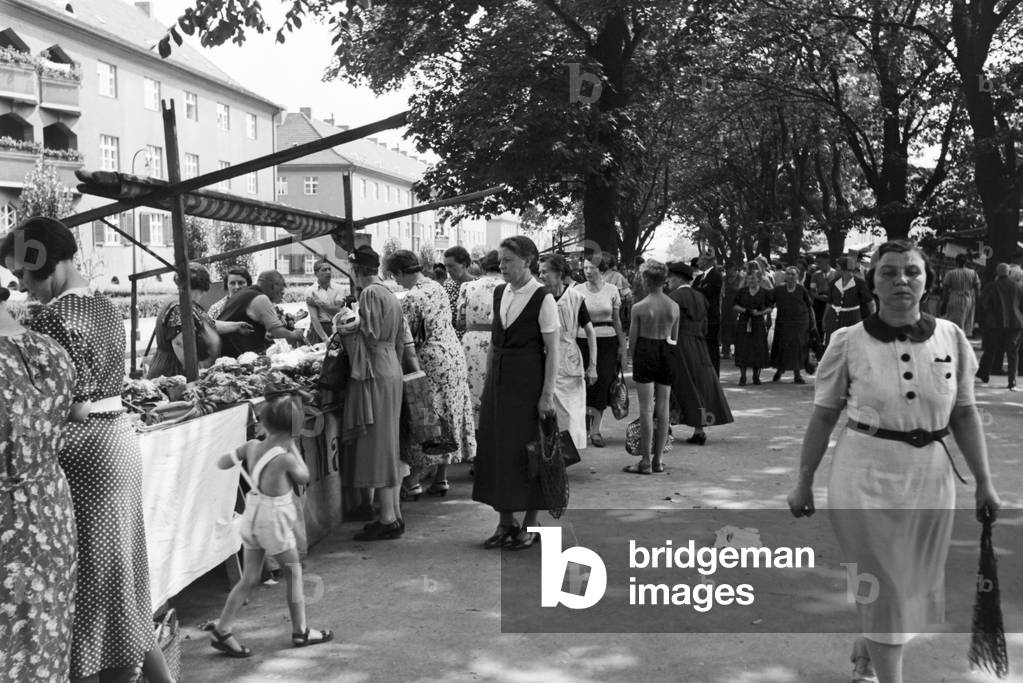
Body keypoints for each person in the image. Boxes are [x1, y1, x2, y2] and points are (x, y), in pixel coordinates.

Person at [787, 240, 1000, 683]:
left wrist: (984, 481)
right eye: (888, 272)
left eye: (911, 271)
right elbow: (824, 416)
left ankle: (869, 644)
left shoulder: (952, 337)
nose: (901, 280)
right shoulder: (847, 341)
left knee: (911, 585)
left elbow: (964, 412)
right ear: (873, 283)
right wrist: (802, 480)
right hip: (862, 478)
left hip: (931, 481)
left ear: (928, 281)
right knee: (883, 584)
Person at [1, 217, 173, 683]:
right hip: (117, 441)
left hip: (84, 452)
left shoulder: (51, 318)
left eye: (21, 274)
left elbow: (68, 409)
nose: (21, 287)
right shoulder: (100, 304)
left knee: (88, 586)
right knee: (120, 579)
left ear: (41, 262)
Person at [210, 390, 333, 657]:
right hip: (273, 522)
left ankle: (223, 630)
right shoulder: (286, 457)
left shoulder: (252, 446)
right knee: (294, 572)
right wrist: (294, 449)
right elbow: (304, 477)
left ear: (263, 423)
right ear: (295, 430)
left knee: (249, 578)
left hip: (252, 517)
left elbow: (222, 463)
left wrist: (237, 456)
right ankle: (300, 630)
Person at [0, 283, 78, 682]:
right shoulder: (53, 351)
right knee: (42, 648)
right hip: (49, 512)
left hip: (8, 527)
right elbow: (75, 413)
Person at [472, 235, 559, 550]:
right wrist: (487, 387)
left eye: (508, 260)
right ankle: (505, 523)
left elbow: (553, 352)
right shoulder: (499, 292)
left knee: (531, 455)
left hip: (529, 385)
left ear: (528, 260)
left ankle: (531, 525)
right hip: (499, 383)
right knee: (499, 452)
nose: (502, 266)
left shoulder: (543, 298)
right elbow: (496, 342)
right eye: (500, 259)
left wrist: (546, 395)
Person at [386, 250, 476, 498]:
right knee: (447, 415)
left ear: (403, 272)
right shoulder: (437, 287)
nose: (396, 282)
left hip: (430, 361)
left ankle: (413, 482)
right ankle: (441, 479)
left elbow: (408, 339)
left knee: (424, 417)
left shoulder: (412, 298)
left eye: (396, 276)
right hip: (454, 356)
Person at [340, 245, 410, 540]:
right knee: (389, 443)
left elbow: (365, 334)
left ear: (356, 271)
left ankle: (387, 518)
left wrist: (342, 325)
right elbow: (397, 338)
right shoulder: (389, 293)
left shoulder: (369, 294)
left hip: (375, 370)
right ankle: (393, 512)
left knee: (379, 444)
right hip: (390, 366)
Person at [667, 262, 734, 444]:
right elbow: (705, 325)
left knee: (674, 384)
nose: (668, 280)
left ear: (679, 278)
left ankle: (666, 427)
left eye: (670, 276)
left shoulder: (674, 297)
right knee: (699, 385)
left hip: (679, 343)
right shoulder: (700, 297)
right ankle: (699, 430)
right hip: (699, 345)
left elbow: (671, 325)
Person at [539, 253, 597, 450]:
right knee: (545, 411)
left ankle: (565, 456)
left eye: (545, 272)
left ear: (559, 273)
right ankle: (548, 455)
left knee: (570, 414)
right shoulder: (539, 297)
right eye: (540, 272)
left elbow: (590, 332)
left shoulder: (576, 298)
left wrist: (593, 366)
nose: (541, 276)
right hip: (543, 358)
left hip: (569, 360)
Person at [624, 261, 678, 474]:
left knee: (646, 408)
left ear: (646, 280)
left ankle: (645, 460)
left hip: (646, 349)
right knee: (663, 407)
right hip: (667, 349)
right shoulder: (673, 306)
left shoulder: (640, 307)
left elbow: (634, 340)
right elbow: (675, 337)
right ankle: (659, 459)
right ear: (664, 280)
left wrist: (632, 357)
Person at [574, 258, 627, 447]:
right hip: (582, 340)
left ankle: (595, 429)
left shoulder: (612, 290)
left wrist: (623, 347)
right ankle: (583, 428)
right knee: (582, 383)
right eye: (585, 267)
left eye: (592, 267)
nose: (588, 271)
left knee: (603, 382)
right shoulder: (577, 290)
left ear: (601, 269)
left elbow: (617, 321)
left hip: (607, 340)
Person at [146, 263, 228, 379]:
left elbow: (206, 324)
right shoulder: (180, 307)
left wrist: (236, 326)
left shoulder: (183, 301)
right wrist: (194, 371)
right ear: (203, 286)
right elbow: (180, 342)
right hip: (174, 371)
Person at [456, 250, 504, 431]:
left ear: (483, 266)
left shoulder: (467, 286)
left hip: (471, 341)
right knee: (495, 385)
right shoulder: (507, 286)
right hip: (498, 340)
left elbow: (459, 322)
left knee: (471, 386)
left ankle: (472, 433)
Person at [217, 270, 306, 357]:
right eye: (281, 288)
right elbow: (278, 333)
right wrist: (296, 334)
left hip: (223, 350)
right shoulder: (261, 298)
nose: (282, 293)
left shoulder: (241, 294)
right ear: (273, 286)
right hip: (237, 355)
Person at [976, 262, 1023, 390]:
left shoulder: (990, 286)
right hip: (1015, 323)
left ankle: (984, 374)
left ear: (997, 273)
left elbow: (983, 305)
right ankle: (1012, 381)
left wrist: (981, 320)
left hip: (994, 323)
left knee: (990, 349)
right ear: (1009, 272)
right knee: (1013, 352)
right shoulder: (1018, 287)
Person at [770, 266, 815, 384]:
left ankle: (797, 374)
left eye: (793, 274)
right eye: (788, 274)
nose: (790, 276)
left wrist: (813, 322)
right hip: (783, 323)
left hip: (800, 323)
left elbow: (809, 306)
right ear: (785, 276)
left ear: (797, 276)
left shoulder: (801, 289)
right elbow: (769, 303)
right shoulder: (779, 289)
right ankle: (779, 371)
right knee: (783, 347)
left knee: (798, 348)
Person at [733, 268, 773, 386]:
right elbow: (734, 305)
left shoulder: (764, 292)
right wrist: (746, 310)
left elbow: (770, 307)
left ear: (759, 280)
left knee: (758, 348)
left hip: (758, 322)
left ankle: (756, 376)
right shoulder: (742, 291)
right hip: (744, 322)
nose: (751, 281)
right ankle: (743, 376)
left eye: (754, 278)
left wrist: (760, 313)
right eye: (749, 278)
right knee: (743, 348)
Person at [825, 256, 874, 346]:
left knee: (851, 345)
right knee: (833, 345)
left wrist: (873, 320)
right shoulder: (834, 283)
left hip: (852, 319)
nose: (836, 269)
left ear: (844, 269)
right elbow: (829, 302)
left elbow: (870, 303)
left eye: (838, 266)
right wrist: (825, 319)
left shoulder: (860, 283)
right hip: (833, 319)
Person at [694, 250, 724, 375]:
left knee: (711, 348)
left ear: (708, 261)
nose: (698, 262)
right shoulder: (700, 277)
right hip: (699, 317)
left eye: (701, 260)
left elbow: (709, 293)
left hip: (711, 318)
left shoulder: (716, 275)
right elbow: (693, 291)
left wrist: (699, 290)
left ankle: (714, 375)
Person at [305, 259, 346, 345]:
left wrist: (318, 303)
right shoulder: (310, 291)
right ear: (316, 273)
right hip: (319, 330)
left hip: (338, 327)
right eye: (324, 270)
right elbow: (314, 318)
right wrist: (325, 339)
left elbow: (338, 310)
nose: (328, 272)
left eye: (329, 269)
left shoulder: (340, 289)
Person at [941, 253, 981, 336]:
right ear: (966, 262)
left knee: (953, 321)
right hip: (968, 299)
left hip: (954, 299)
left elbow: (945, 289)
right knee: (967, 321)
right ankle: (964, 337)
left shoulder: (950, 273)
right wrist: (978, 302)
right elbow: (977, 289)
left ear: (956, 262)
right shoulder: (973, 273)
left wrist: (944, 302)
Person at [443, 246, 475, 340]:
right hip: (451, 343)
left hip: (472, 342)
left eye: (451, 266)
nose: (448, 270)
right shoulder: (447, 287)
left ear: (463, 264)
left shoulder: (478, 286)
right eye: (446, 266)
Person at [720, 261, 743, 360]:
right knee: (725, 327)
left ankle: (739, 351)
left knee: (737, 327)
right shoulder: (724, 279)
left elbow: (742, 291)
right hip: (725, 306)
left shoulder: (741, 278)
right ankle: (726, 350)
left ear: (734, 269)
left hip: (737, 306)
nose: (727, 272)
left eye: (729, 270)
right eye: (726, 270)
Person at [809, 254, 835, 340]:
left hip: (832, 302)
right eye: (817, 263)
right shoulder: (815, 275)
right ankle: (819, 345)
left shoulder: (835, 273)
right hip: (819, 302)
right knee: (818, 324)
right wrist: (819, 297)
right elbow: (812, 291)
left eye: (820, 262)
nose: (818, 264)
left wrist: (830, 298)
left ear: (827, 261)